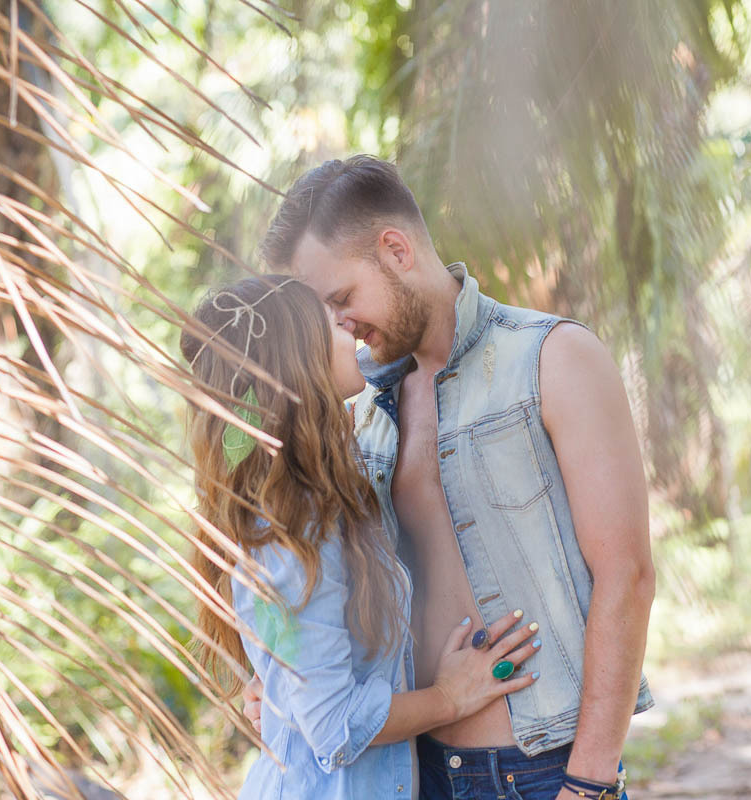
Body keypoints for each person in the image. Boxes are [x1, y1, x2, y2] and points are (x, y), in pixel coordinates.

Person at [245, 156, 655, 800]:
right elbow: (305, 569)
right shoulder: (357, 413)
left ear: (396, 250)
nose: (340, 325)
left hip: (545, 773)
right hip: (413, 775)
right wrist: (280, 672)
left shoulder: (553, 358)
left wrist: (590, 782)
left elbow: (627, 575)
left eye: (342, 299)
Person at [181, 275, 543, 800]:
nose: (348, 325)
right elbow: (334, 726)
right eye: (331, 321)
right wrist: (449, 698)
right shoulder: (293, 526)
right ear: (299, 360)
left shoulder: (317, 493)